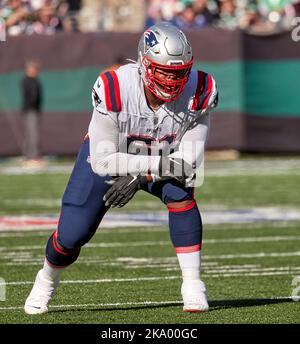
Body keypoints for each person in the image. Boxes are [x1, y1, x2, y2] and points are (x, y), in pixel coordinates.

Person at [24, 21, 218, 314]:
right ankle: (46, 279)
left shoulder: (200, 89)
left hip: (159, 158)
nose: (172, 80)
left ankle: (192, 284)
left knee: (182, 194)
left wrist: (143, 174)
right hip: (113, 156)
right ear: (144, 64)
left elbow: (189, 161)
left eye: (180, 73)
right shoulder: (114, 86)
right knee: (72, 234)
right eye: (164, 71)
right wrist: (147, 169)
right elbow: (103, 160)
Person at [20, 60, 44, 167]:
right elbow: (32, 96)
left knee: (33, 134)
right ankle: (32, 157)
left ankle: (31, 156)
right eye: (34, 69)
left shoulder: (35, 80)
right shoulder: (27, 81)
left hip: (34, 111)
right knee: (32, 134)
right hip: (30, 111)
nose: (36, 71)